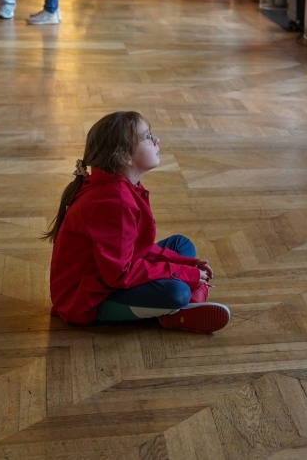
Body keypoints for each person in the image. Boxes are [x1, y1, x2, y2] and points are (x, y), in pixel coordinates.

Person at [46, 111, 231, 331]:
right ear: (123, 156)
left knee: (181, 245)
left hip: (105, 275)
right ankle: (185, 306)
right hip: (88, 301)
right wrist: (184, 273)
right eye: (147, 137)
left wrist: (188, 265)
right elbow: (120, 275)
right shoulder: (114, 201)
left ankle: (187, 302)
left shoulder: (119, 186)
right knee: (177, 292)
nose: (156, 140)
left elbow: (135, 250)